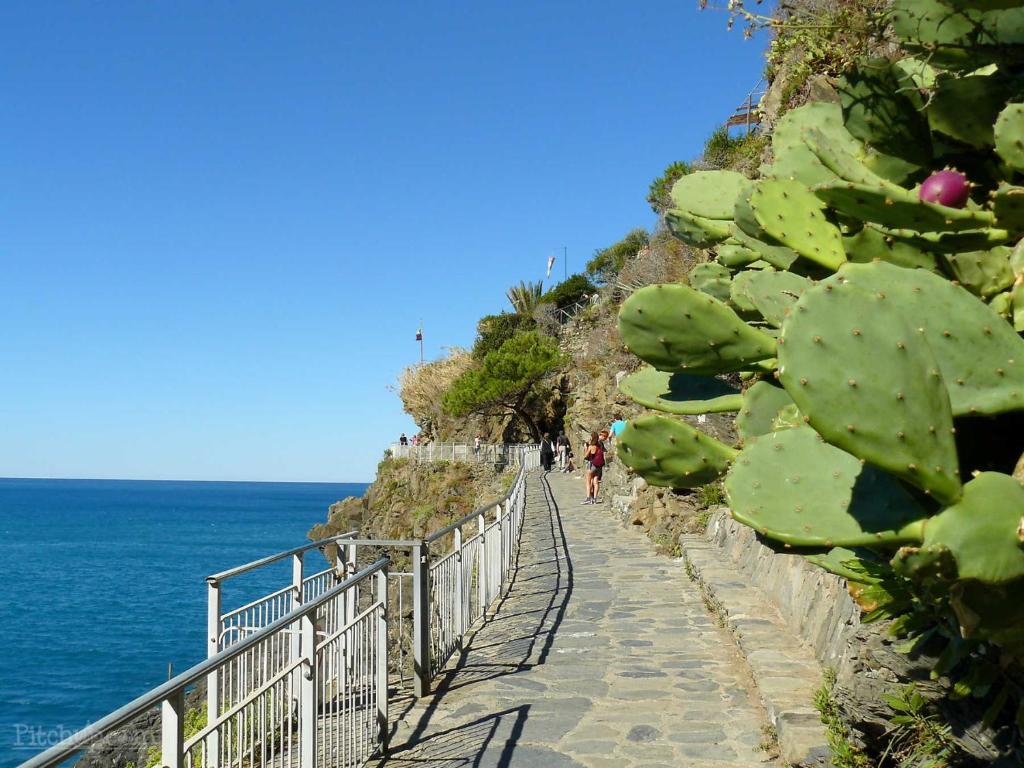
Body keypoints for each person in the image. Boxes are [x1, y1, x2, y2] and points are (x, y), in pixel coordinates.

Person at [582, 431, 606, 504]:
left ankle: (588, 498)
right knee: (595, 482)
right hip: (599, 466)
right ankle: (595, 499)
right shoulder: (600, 445)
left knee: (588, 482)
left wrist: (585, 448)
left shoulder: (591, 446)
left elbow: (585, 456)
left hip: (592, 465)